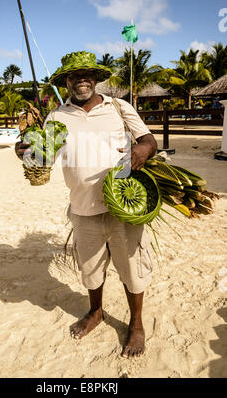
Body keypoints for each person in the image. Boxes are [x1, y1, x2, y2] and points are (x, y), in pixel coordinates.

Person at [15, 51, 157, 357]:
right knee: (91, 270)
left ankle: (136, 323)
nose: (81, 80)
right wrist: (24, 151)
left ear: (96, 78)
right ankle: (96, 312)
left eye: (87, 74)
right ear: (66, 82)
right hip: (82, 209)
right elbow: (42, 159)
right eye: (74, 75)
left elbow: (149, 140)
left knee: (132, 269)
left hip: (123, 206)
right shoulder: (56, 117)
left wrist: (143, 151)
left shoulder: (119, 107)